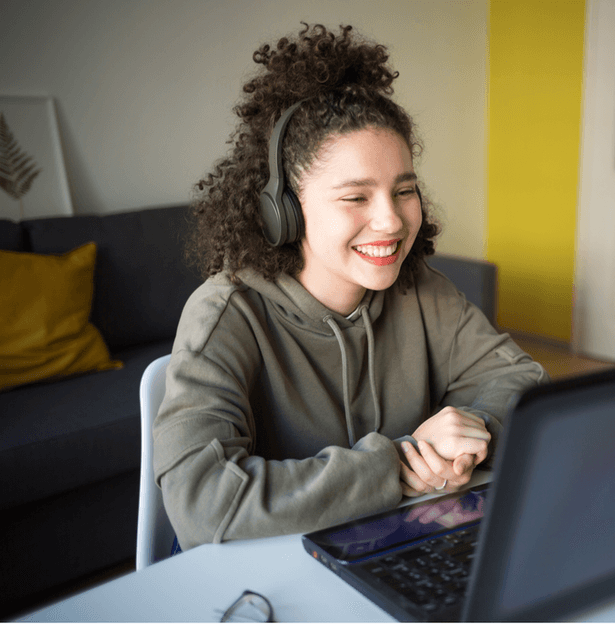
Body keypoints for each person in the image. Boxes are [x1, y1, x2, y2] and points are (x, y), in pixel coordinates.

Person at [153, 23, 548, 551]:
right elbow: (202, 505)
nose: (391, 220)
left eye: (404, 190)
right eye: (355, 197)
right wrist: (399, 465)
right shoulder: (226, 314)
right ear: (285, 212)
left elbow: (523, 382)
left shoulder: (418, 289)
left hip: (394, 549)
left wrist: (466, 434)